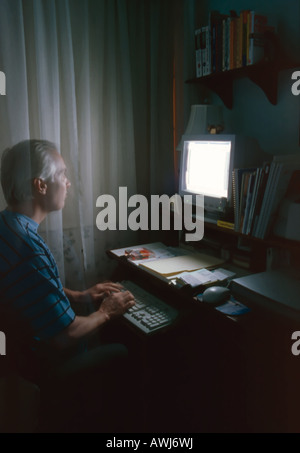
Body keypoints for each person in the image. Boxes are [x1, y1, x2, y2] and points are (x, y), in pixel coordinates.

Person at [0, 139, 136, 432]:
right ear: (41, 186)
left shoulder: (7, 227)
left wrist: (79, 294)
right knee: (127, 350)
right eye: (62, 174)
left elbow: (30, 289)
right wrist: (107, 311)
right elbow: (65, 336)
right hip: (42, 365)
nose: (69, 183)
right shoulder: (29, 248)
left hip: (18, 360)